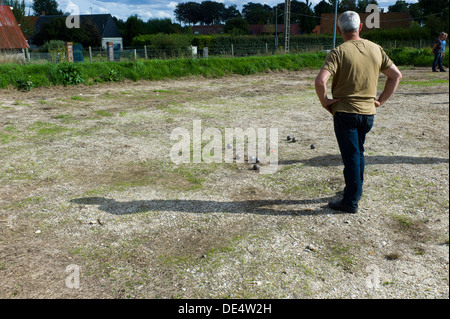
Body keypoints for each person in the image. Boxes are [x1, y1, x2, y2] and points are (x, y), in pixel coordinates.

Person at [314, 11, 402, 214]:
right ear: (360, 27)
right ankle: (356, 191)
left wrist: (325, 101)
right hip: (368, 115)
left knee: (352, 157)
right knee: (359, 153)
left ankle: (351, 201)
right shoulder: (376, 49)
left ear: (339, 30)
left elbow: (320, 81)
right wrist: (380, 100)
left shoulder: (338, 52)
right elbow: (396, 75)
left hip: (346, 113)